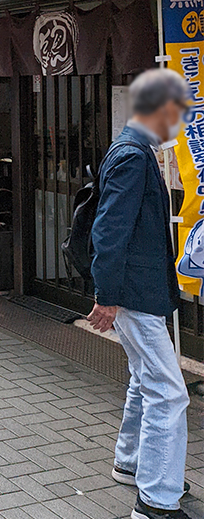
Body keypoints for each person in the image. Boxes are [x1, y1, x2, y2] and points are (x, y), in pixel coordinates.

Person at [89, 68, 192, 519]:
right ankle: (155, 499)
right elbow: (109, 230)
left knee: (142, 378)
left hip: (132, 290)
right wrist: (107, 295)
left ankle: (131, 463)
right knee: (169, 394)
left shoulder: (128, 148)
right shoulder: (134, 155)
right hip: (135, 293)